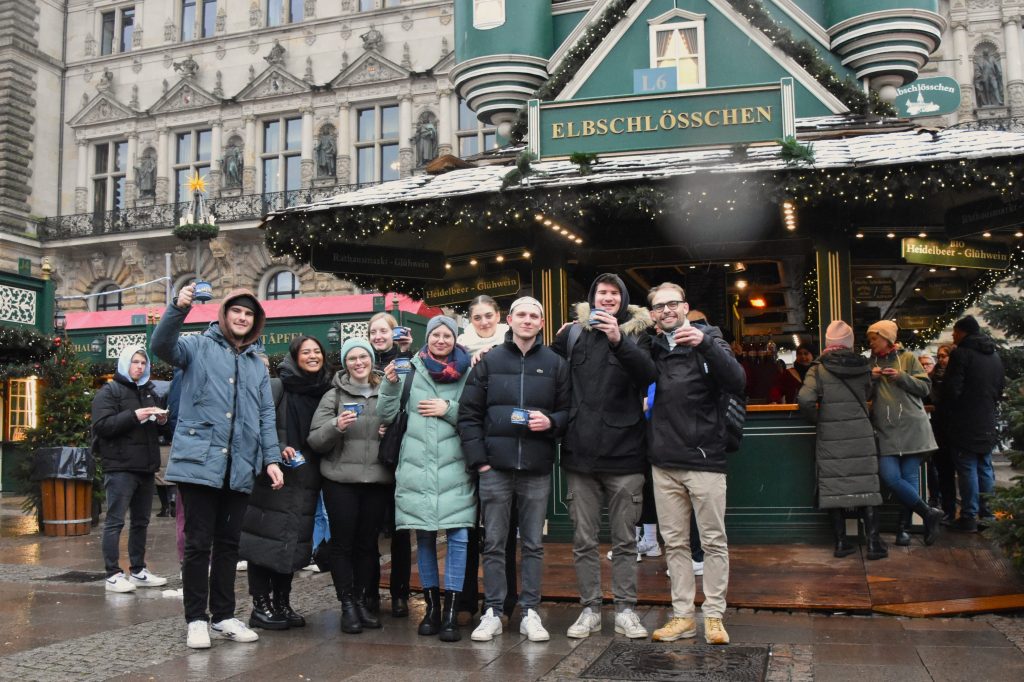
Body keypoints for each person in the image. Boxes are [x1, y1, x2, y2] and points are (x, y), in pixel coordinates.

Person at [151, 284, 285, 650]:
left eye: (249, 314)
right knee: (198, 545)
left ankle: (224, 615)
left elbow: (264, 414)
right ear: (224, 314)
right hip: (198, 461)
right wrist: (178, 308)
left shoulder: (257, 363)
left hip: (239, 464)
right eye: (236, 312)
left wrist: (271, 459)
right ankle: (196, 619)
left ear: (255, 322)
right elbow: (160, 347)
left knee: (228, 545)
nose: (242, 318)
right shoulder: (197, 345)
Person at [458, 297, 570, 643]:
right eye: (521, 314)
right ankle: (493, 610)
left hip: (535, 467)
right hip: (495, 468)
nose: (527, 320)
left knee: (534, 544)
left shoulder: (555, 363)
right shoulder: (489, 361)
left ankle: (530, 611)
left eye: (534, 315)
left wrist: (550, 421)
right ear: (510, 319)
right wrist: (480, 460)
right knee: (493, 543)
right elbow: (468, 414)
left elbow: (569, 412)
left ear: (541, 323)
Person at [550, 273, 656, 640]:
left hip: (626, 454)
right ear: (592, 297)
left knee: (625, 541)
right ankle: (590, 609)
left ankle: (626, 609)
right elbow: (541, 371)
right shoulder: (573, 334)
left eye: (614, 294)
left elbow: (649, 374)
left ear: (623, 300)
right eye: (601, 293)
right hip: (580, 454)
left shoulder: (641, 334)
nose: (607, 298)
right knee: (583, 541)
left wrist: (618, 339)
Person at [643, 283, 743, 646]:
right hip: (664, 461)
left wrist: (702, 344)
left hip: (704, 459)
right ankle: (683, 616)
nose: (667, 310)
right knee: (675, 544)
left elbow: (737, 380)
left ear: (685, 307)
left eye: (673, 304)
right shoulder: (652, 348)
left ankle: (714, 615)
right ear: (652, 315)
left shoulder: (710, 340)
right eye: (659, 306)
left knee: (714, 541)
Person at [378, 316, 474, 643]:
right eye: (436, 334)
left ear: (455, 339)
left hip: (456, 465)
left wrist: (448, 407)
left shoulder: (469, 370)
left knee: (459, 536)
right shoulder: (411, 369)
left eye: (448, 334)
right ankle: (432, 607)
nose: (441, 340)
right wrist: (390, 384)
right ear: (428, 338)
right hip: (416, 466)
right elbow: (387, 416)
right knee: (427, 540)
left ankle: (451, 610)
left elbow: (479, 412)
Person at [238, 336, 332, 631]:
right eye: (306, 352)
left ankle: (282, 601)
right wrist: (277, 447)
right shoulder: (278, 386)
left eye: (317, 351)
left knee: (292, 542)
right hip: (275, 474)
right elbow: (255, 423)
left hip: (307, 475)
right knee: (264, 540)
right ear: (295, 356)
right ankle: (260, 605)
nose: (313, 356)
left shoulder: (326, 390)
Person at [308, 338, 393, 634]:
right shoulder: (333, 396)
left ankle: (361, 601)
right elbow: (315, 440)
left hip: (377, 480)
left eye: (363, 357)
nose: (359, 362)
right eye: (352, 358)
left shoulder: (387, 391)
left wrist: (390, 431)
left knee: (368, 545)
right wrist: (336, 426)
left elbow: (403, 426)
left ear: (371, 359)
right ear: (345, 364)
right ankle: (346, 605)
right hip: (341, 480)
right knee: (343, 545)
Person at [798, 321, 887, 560]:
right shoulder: (863, 366)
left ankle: (840, 543)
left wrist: (820, 419)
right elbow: (868, 393)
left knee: (834, 486)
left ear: (828, 343)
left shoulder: (818, 368)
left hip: (831, 435)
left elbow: (805, 399)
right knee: (867, 485)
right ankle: (873, 544)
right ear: (849, 343)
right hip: (861, 432)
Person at [455, 295, 517, 625]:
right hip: (466, 447)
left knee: (502, 532)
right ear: (470, 320)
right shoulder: (457, 349)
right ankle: (465, 599)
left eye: (488, 315)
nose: (483, 322)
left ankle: (505, 602)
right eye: (477, 317)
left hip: (503, 447)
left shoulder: (513, 343)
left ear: (498, 316)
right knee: (466, 526)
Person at [91, 346, 170, 593]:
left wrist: (162, 421)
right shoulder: (109, 392)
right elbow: (102, 426)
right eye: (135, 362)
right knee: (115, 521)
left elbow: (161, 432)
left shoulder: (149, 392)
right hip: (120, 467)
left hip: (145, 467)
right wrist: (134, 415)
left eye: (143, 363)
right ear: (125, 363)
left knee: (141, 522)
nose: (139, 366)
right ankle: (112, 573)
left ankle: (138, 570)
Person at [866, 320, 944, 546]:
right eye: (870, 339)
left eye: (874, 338)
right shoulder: (870, 363)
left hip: (913, 427)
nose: (871, 343)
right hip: (886, 429)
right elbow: (865, 393)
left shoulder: (909, 358)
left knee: (908, 480)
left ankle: (904, 530)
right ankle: (929, 513)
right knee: (890, 477)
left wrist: (901, 377)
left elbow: (925, 388)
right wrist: (870, 378)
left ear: (887, 338)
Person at [366, 312, 412, 617]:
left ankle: (399, 594)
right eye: (373, 331)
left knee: (400, 530)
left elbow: (408, 402)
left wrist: (407, 352)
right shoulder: (361, 361)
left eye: (384, 330)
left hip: (397, 454)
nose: (379, 336)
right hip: (368, 455)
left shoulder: (405, 363)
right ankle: (369, 592)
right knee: (369, 530)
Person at [942, 316, 1005, 532]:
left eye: (954, 332)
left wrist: (950, 410)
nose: (952, 336)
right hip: (987, 419)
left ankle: (968, 516)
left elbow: (952, 389)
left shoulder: (961, 354)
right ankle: (987, 516)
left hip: (964, 421)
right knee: (985, 467)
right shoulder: (994, 355)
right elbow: (999, 387)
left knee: (967, 468)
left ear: (962, 332)